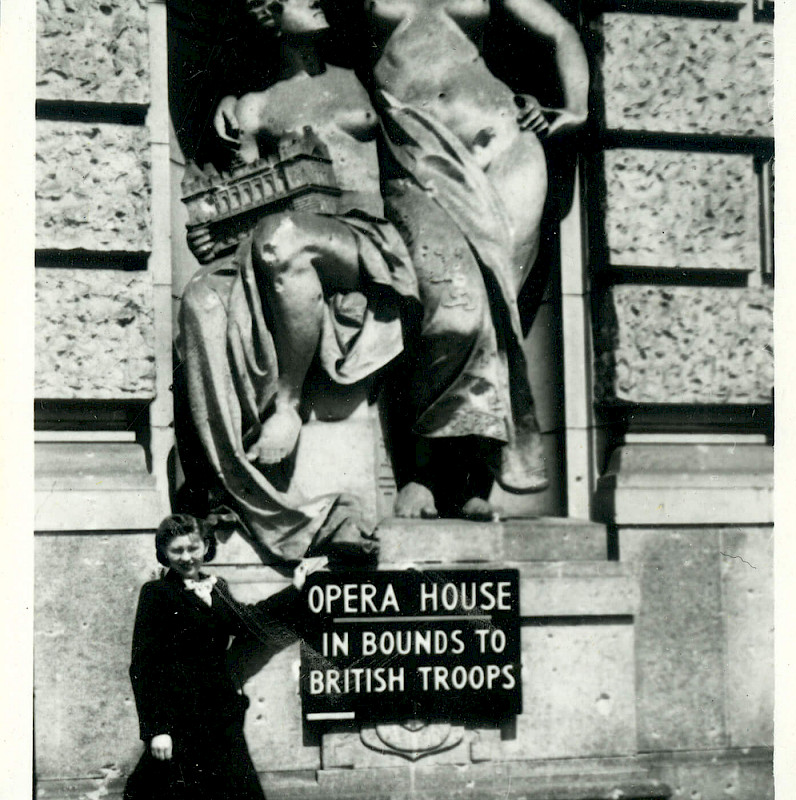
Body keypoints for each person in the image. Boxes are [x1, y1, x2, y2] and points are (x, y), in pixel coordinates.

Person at [178, 0, 418, 565]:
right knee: (200, 301)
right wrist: (210, 241)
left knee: (283, 237)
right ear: (263, 13)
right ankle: (250, 499)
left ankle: (284, 405)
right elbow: (247, 198)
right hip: (284, 238)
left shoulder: (366, 74)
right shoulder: (254, 107)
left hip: (363, 236)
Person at [362, 0, 590, 519]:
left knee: (496, 314)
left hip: (503, 147)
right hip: (417, 154)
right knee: (451, 310)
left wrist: (574, 105)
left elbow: (561, 31)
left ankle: (471, 483)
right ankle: (419, 471)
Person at [123, 514, 325, 800]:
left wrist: (296, 589)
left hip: (221, 716)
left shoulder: (217, 587)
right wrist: (157, 730)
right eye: (176, 550)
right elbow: (144, 667)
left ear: (206, 547)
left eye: (192, 548)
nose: (186, 557)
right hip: (181, 721)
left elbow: (249, 621)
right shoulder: (156, 594)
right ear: (164, 554)